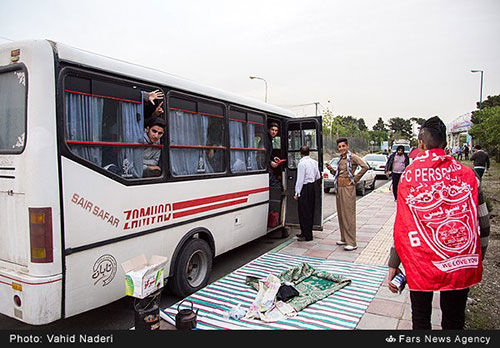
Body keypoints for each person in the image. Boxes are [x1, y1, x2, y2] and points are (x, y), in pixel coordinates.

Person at [387, 116, 489, 330]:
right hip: (461, 260)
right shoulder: (468, 175)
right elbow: (483, 221)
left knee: (421, 320)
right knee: (454, 321)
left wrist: (394, 264)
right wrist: (478, 256)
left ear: (421, 144)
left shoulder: (409, 176)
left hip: (420, 262)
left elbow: (402, 226)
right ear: (444, 143)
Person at [325, 138, 368, 251]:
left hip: (348, 188)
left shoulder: (352, 157)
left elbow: (365, 166)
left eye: (343, 146)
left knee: (348, 214)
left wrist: (354, 179)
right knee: (341, 214)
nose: (341, 148)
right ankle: (344, 238)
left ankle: (352, 242)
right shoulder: (340, 159)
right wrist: (331, 170)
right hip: (339, 187)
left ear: (347, 146)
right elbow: (339, 174)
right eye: (339, 147)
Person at [294, 146, 321, 241]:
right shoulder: (314, 162)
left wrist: (297, 193)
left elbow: (300, 180)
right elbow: (318, 176)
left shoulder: (302, 164)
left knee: (303, 212)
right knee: (310, 211)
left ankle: (306, 235)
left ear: (300, 153)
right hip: (312, 187)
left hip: (304, 188)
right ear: (309, 153)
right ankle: (307, 233)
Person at [265, 122, 283, 187]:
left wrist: (273, 158)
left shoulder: (269, 139)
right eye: (272, 130)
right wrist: (270, 162)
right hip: (265, 167)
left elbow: (268, 153)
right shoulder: (266, 140)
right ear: (268, 130)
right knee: (276, 185)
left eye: (276, 131)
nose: (274, 132)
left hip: (267, 165)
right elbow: (261, 155)